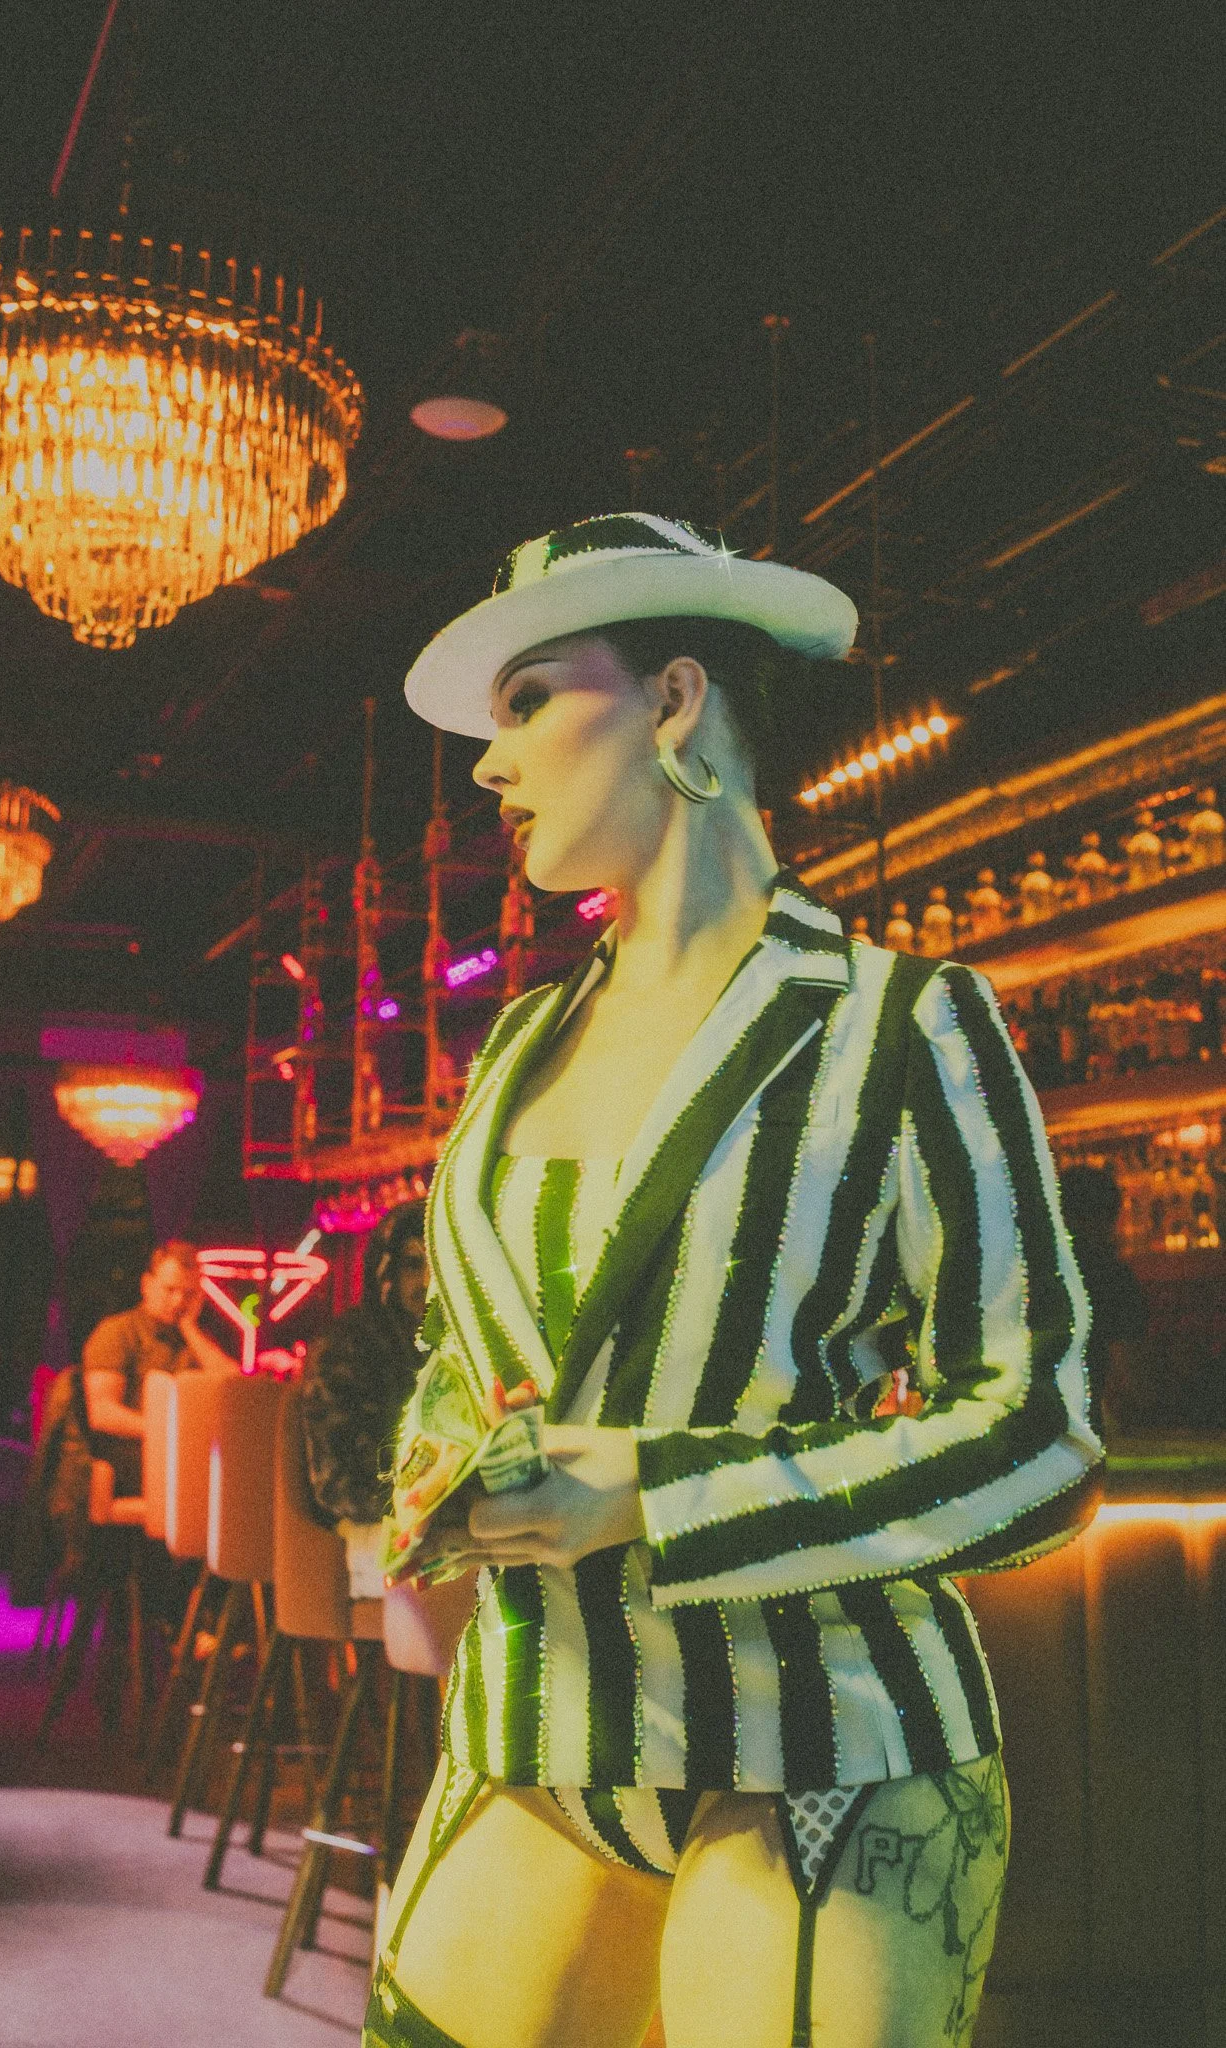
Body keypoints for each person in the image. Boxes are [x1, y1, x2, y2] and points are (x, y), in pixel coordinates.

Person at [372, 512, 1102, 2048]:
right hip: (532, 1726)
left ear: (675, 700)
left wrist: (653, 1490)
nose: (488, 766)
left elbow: (1039, 1434)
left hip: (823, 1740)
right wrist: (438, 1467)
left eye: (527, 704)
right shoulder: (512, 1047)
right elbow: (465, 1346)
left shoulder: (900, 1024)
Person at [300, 1201, 428, 1596]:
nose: (427, 1281)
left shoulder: (453, 1346)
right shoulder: (347, 1346)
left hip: (435, 1524)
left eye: (438, 1264)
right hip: (364, 1532)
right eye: (411, 1265)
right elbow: (337, 1485)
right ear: (382, 1268)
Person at [82, 1240, 236, 1498]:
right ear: (147, 1285)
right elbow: (102, 1412)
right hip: (130, 1463)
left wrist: (190, 1329)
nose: (178, 1302)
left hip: (187, 1465)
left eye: (189, 1294)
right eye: (170, 1290)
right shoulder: (118, 1332)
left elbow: (235, 1388)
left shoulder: (195, 1340)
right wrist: (168, 1431)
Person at [1058, 1165, 1148, 1435]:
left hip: (1038, 1423)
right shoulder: (1115, 1275)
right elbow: (1128, 1368)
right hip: (1093, 1420)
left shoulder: (1035, 1274)